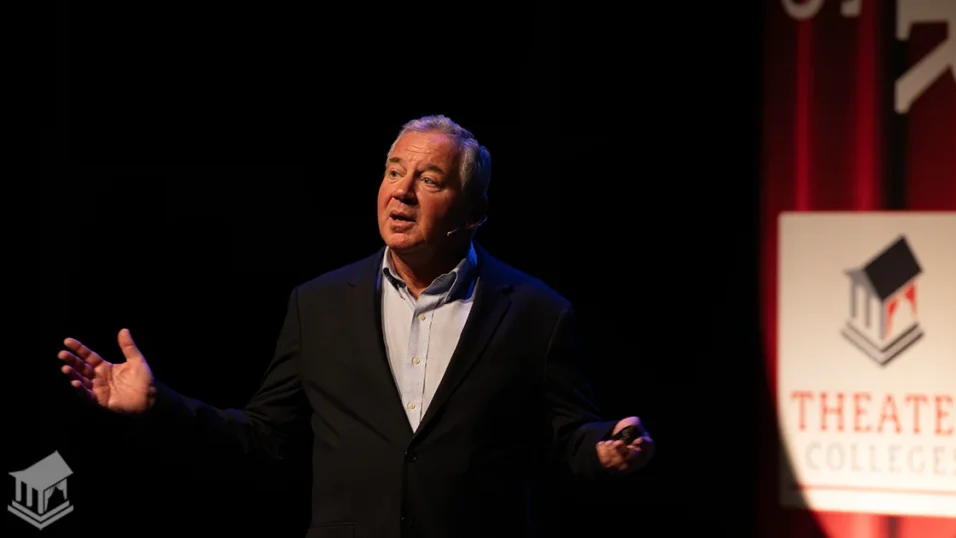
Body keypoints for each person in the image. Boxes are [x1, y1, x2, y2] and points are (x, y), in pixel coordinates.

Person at [56, 115, 655, 538]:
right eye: (394, 172)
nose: (402, 193)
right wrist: (160, 406)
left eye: (429, 180)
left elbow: (568, 434)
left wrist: (604, 448)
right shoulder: (318, 306)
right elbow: (264, 438)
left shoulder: (535, 312)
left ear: (475, 214)